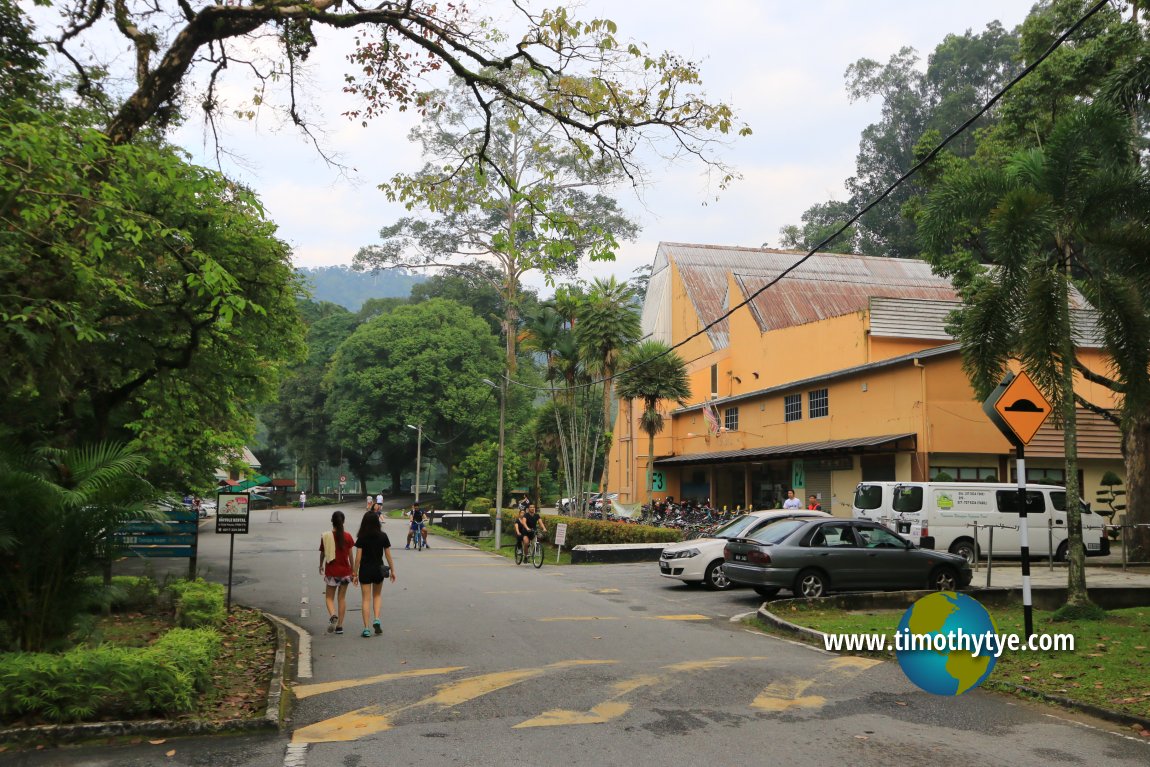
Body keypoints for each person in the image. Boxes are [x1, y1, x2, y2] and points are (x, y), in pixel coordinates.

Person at [353, 510, 396, 637]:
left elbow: (358, 558)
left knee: (366, 599)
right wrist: (393, 570)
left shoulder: (362, 537)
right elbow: (388, 556)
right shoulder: (383, 536)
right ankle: (376, 619)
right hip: (379, 570)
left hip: (365, 570)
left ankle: (366, 629)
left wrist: (354, 574)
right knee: (377, 596)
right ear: (377, 522)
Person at [319, 510, 355, 635]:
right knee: (342, 598)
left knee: (329, 597)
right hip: (345, 571)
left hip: (332, 571)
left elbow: (323, 553)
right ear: (343, 521)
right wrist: (354, 571)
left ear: (332, 522)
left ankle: (333, 615)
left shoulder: (326, 536)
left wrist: (320, 565)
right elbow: (351, 556)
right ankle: (340, 626)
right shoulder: (348, 536)